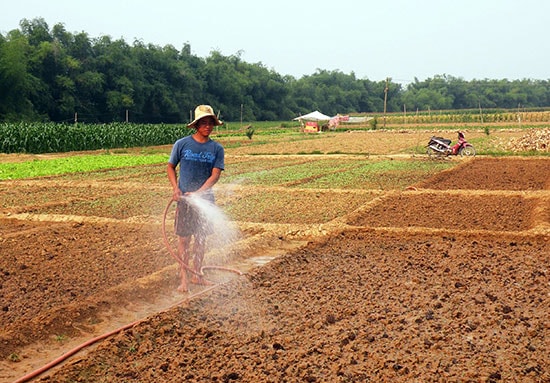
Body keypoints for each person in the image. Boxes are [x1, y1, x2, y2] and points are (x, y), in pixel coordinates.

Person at [167, 105, 225, 292]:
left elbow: (215, 175)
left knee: (201, 239)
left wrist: (199, 193)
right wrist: (176, 189)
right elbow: (170, 167)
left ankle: (197, 275)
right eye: (204, 123)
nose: (207, 126)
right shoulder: (182, 144)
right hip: (184, 201)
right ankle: (183, 279)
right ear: (196, 125)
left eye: (210, 123)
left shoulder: (216, 148)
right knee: (184, 240)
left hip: (205, 200)